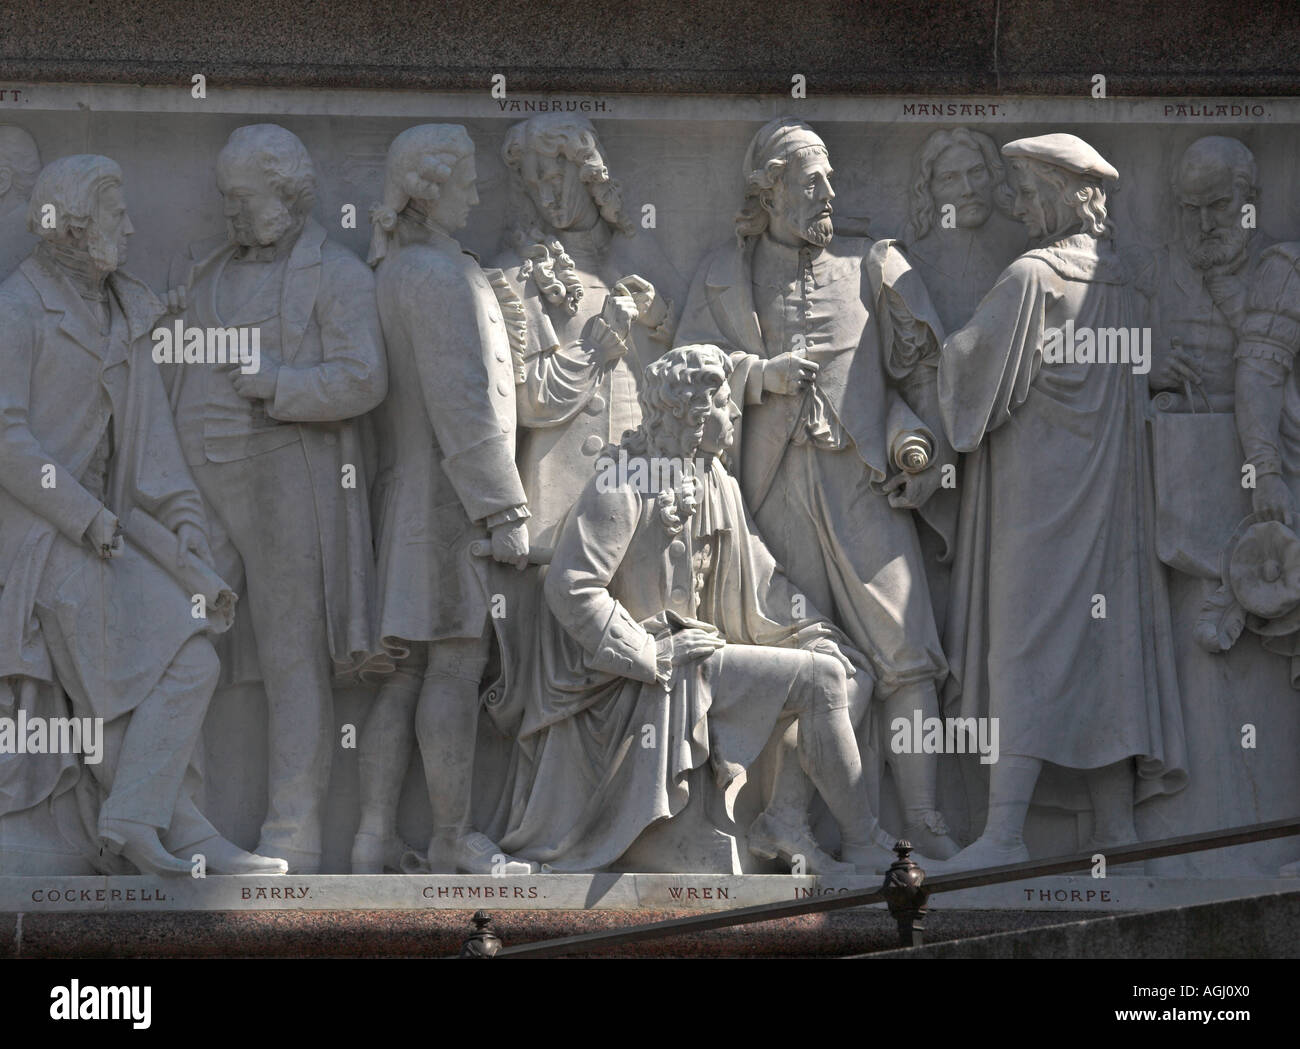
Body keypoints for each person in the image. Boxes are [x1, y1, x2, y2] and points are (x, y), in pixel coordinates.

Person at [0, 154, 286, 877]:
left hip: (105, 532)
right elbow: (6, 437)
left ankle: (143, 819)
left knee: (186, 653)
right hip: (38, 535)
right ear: (71, 228)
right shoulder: (18, 309)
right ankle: (171, 827)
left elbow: (152, 442)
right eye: (116, 217)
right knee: (153, 660)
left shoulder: (124, 310)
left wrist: (184, 516)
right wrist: (81, 516)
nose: (131, 229)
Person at [499, 345, 888, 872]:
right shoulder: (624, 481)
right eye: (726, 406)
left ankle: (787, 821)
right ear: (692, 411)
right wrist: (649, 651)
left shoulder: (716, 483)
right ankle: (863, 843)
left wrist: (811, 630)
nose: (733, 417)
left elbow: (764, 579)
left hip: (703, 660)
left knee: (837, 666)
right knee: (821, 682)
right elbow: (572, 586)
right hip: (634, 679)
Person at [933, 133, 1187, 873]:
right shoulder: (1129, 282)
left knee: (1025, 645)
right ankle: (1116, 826)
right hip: (1115, 506)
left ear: (1052, 196)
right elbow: (1153, 374)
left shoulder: (1031, 281)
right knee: (1108, 648)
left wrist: (928, 351)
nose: (1016, 206)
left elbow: (971, 381)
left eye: (1025, 192)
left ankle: (1005, 832)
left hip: (1034, 505)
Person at [167, 124, 387, 873]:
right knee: (178, 637)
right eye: (224, 200)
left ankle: (292, 832)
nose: (230, 215)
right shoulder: (204, 276)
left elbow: (363, 378)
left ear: (291, 199)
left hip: (289, 478)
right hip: (199, 487)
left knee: (294, 657)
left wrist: (281, 383)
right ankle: (175, 815)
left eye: (244, 200)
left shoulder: (339, 275)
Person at [353, 124, 535, 875]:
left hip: (411, 498)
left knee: (405, 674)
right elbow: (464, 404)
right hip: (450, 503)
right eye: (465, 178)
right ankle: (453, 836)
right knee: (455, 665)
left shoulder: (406, 268)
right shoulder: (433, 276)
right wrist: (505, 509)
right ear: (428, 188)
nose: (479, 190)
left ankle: (369, 838)